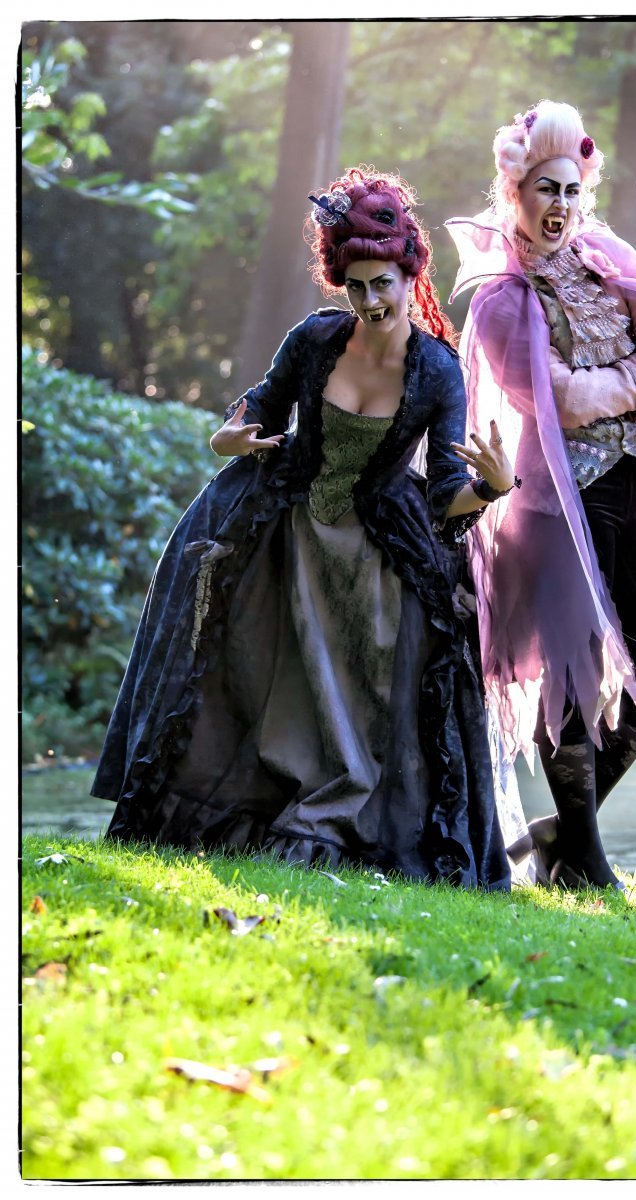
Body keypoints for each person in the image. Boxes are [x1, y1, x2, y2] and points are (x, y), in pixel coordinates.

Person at [93, 167, 518, 890]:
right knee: (262, 676)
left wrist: (493, 487)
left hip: (376, 553)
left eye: (382, 284)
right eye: (356, 287)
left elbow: (448, 493)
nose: (371, 301)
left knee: (362, 696)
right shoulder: (316, 339)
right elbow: (257, 409)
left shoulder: (437, 370)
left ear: (409, 276)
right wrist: (227, 440)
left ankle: (342, 818)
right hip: (285, 534)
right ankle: (261, 811)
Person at [446, 101, 636, 890]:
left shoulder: (604, 255)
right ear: (515, 192)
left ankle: (564, 831)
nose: (562, 205)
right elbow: (566, 400)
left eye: (573, 191)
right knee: (571, 682)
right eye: (547, 189)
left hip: (627, 488)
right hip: (553, 505)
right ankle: (584, 860)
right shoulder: (500, 297)